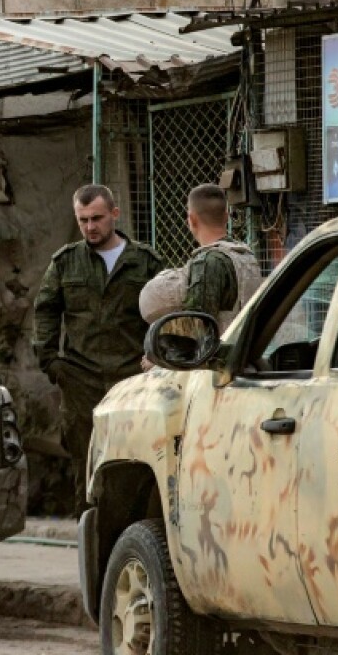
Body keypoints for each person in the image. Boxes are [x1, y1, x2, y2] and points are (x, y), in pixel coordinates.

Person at [32, 184, 164, 514]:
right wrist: (51, 362)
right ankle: (90, 547)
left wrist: (157, 358)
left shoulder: (145, 263)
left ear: (114, 215)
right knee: (85, 467)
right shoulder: (66, 263)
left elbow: (165, 314)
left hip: (131, 377)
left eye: (97, 218)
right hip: (81, 379)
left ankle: (130, 543)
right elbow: (46, 309)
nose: (91, 227)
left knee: (134, 461)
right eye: (83, 220)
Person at [141, 183, 261, 331]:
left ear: (191, 219)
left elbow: (198, 326)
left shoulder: (207, 262)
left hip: (221, 352)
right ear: (226, 216)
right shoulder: (246, 256)